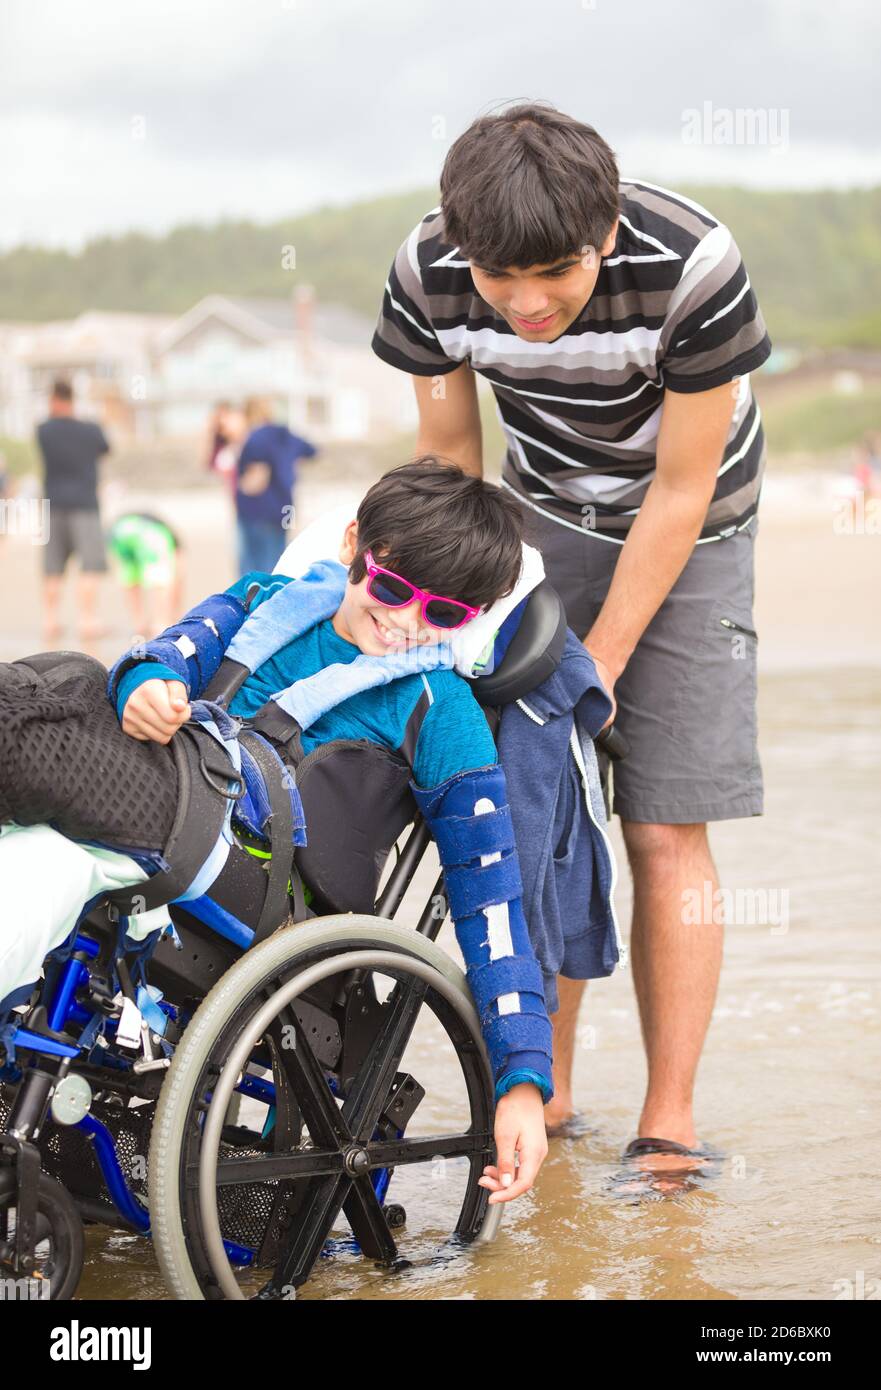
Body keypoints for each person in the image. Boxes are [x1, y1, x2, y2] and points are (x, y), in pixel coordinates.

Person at [372, 103, 773, 1168]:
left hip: (694, 524)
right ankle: (539, 1096)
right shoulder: (427, 270)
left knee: (659, 823)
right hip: (534, 516)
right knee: (530, 802)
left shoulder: (690, 264)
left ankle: (668, 1123)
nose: (527, 302)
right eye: (500, 278)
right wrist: (426, 616)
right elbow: (450, 454)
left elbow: (682, 490)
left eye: (554, 270)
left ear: (602, 231)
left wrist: (595, 664)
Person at [0, 458, 553, 1204]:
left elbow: (491, 904)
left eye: (443, 615)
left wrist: (521, 1081)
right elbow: (168, 653)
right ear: (353, 545)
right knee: (57, 746)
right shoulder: (263, 602)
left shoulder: (441, 710)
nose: (403, 622)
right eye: (389, 588)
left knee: (48, 705)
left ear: (473, 618)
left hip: (257, 884)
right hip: (146, 817)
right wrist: (146, 688)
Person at [36, 379, 111, 644]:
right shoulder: (90, 430)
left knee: (53, 566)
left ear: (54, 400)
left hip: (52, 504)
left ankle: (50, 620)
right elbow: (105, 448)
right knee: (90, 565)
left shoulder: (44, 430)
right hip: (85, 504)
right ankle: (87, 620)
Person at [235, 397, 316, 576]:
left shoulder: (255, 438)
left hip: (257, 511)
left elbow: (258, 478)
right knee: (279, 562)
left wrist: (240, 487)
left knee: (253, 570)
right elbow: (312, 450)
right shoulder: (286, 435)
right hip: (286, 507)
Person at [107, 511, 184, 639]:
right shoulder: (173, 542)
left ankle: (138, 623)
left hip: (119, 528)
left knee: (131, 576)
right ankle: (161, 622)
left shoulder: (165, 529)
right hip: (146, 530)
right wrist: (176, 615)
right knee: (162, 580)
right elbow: (176, 578)